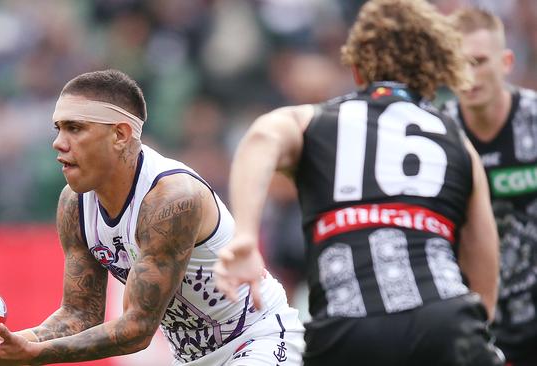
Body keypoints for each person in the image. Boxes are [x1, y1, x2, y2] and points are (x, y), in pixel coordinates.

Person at [213, 0, 505, 365]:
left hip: (348, 330)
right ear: (434, 71)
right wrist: (473, 331)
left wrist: (245, 236)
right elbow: (483, 263)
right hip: (444, 323)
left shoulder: (317, 121)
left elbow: (262, 137)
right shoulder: (455, 139)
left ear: (355, 68)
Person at [0, 69, 304, 365]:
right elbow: (78, 315)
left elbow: (137, 329)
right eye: (58, 128)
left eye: (75, 128)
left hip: (259, 340)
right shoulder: (74, 203)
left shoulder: (172, 199)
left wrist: (33, 355)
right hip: (192, 359)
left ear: (120, 134)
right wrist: (10, 343)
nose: (58, 142)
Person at [443, 8, 537, 366]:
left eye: (479, 61)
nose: (469, 75)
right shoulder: (437, 135)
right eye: (458, 62)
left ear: (507, 62)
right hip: (472, 324)